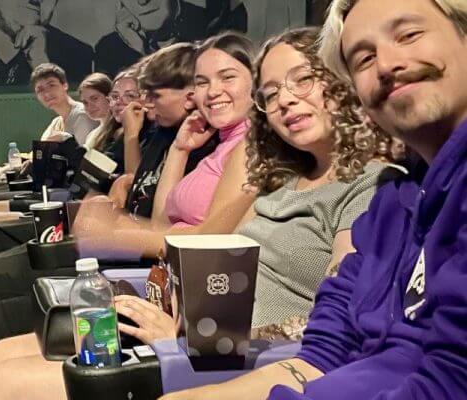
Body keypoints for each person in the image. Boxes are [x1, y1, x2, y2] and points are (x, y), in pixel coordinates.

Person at [0, 27, 402, 400]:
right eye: (272, 93)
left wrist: (193, 339)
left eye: (302, 81)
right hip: (191, 333)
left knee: (8, 382)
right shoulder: (284, 174)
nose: (285, 100)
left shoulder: (371, 184)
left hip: (230, 358)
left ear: (341, 83)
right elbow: (200, 249)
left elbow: (335, 329)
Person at [159, 0, 467, 399]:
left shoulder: (373, 185)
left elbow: (449, 382)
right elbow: (323, 351)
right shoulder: (391, 207)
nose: (388, 63)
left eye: (409, 35)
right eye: (364, 58)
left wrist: (191, 342)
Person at [0, 41, 215, 392]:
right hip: (98, 240)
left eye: (149, 94)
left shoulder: (169, 139)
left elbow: (153, 222)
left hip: (113, 261)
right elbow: (121, 193)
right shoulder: (161, 137)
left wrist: (116, 211)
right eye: (125, 96)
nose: (137, 103)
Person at [0, 30, 257, 400]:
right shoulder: (209, 140)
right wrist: (180, 150)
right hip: (162, 290)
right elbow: (164, 220)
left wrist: (117, 231)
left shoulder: (248, 146)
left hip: (190, 313)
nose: (212, 91)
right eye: (203, 81)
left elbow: (207, 244)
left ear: (255, 82)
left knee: (6, 376)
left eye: (227, 77)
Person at [0, 63, 97, 197]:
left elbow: (80, 161)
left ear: (64, 85)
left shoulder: (81, 116)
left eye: (51, 85)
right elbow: (39, 153)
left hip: (61, 183)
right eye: (40, 89)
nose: (47, 93)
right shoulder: (56, 122)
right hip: (45, 174)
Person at [95, 0, 208, 77]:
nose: (142, 1)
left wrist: (145, 54)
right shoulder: (108, 49)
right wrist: (139, 51)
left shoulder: (212, 29)